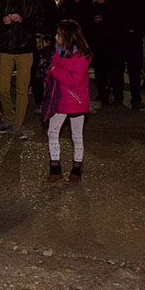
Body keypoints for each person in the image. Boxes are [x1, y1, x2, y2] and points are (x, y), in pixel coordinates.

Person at [0, 0, 41, 139]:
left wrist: (22, 19)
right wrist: (3, 21)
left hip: (25, 48)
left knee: (22, 88)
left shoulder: (31, 0)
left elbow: (38, 23)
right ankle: (9, 116)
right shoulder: (1, 1)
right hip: (6, 48)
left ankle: (18, 124)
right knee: (2, 87)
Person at [46, 20, 91, 183]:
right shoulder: (58, 53)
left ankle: (77, 169)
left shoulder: (79, 57)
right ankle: (55, 168)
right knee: (52, 132)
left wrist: (55, 71)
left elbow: (75, 80)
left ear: (66, 37)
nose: (55, 37)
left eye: (58, 34)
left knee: (77, 135)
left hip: (75, 100)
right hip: (60, 99)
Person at [107, 0, 145, 110]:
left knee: (134, 71)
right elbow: (109, 19)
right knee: (117, 70)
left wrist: (136, 30)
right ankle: (118, 96)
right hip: (118, 40)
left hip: (133, 40)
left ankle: (136, 98)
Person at [90, 0, 111, 103]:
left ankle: (107, 90)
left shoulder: (110, 9)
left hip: (108, 44)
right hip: (97, 44)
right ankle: (101, 90)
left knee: (107, 68)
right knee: (98, 69)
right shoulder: (93, 8)